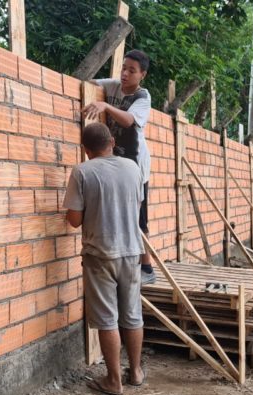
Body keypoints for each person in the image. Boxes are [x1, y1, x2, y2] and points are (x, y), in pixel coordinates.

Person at [63, 123, 146, 395]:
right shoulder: (133, 168)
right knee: (132, 314)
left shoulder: (82, 171)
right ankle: (134, 372)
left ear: (85, 149)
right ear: (112, 141)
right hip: (132, 251)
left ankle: (113, 381)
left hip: (100, 254)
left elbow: (73, 220)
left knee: (107, 318)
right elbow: (136, 204)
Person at [81, 50, 155, 284]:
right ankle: (128, 264)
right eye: (123, 68)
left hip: (135, 165)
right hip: (115, 163)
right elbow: (88, 82)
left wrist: (105, 107)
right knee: (121, 214)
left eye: (131, 71)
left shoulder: (143, 97)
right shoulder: (112, 85)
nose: (125, 74)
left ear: (142, 74)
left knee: (137, 217)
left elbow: (129, 120)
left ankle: (147, 268)